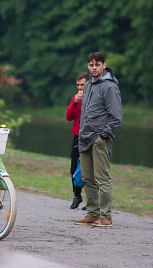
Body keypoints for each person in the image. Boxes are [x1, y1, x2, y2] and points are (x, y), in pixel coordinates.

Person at [75, 52, 122, 227]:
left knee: (102, 178)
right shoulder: (87, 86)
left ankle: (106, 217)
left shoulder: (109, 87)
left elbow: (116, 117)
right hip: (84, 138)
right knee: (87, 178)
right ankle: (93, 214)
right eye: (91, 65)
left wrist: (103, 136)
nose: (94, 68)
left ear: (104, 65)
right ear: (88, 66)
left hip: (99, 139)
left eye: (97, 64)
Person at [66, 72, 89, 209]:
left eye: (83, 85)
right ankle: (77, 196)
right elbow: (68, 117)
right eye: (78, 85)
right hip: (77, 137)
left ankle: (92, 201)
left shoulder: (93, 98)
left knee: (90, 170)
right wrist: (74, 103)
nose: (80, 88)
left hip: (90, 137)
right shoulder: (76, 98)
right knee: (74, 168)